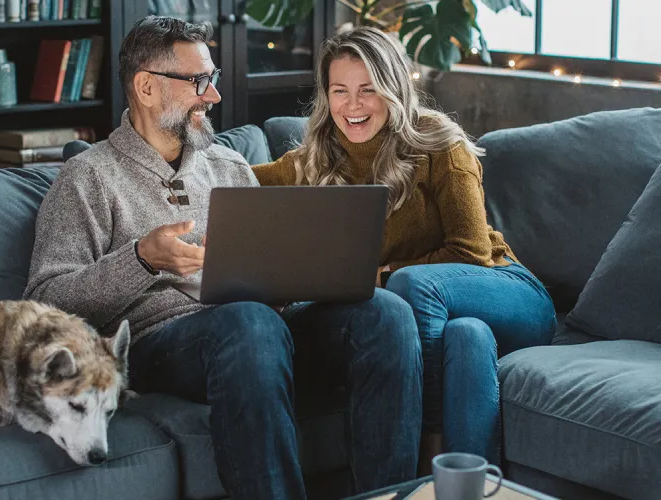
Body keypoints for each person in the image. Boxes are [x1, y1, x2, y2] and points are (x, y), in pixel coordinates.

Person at [24, 16, 423, 499]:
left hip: (261, 328)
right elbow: (46, 303)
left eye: (211, 80)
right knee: (249, 324)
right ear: (146, 87)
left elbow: (271, 269)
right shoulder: (87, 178)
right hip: (163, 343)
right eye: (199, 82)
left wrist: (289, 286)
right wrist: (143, 258)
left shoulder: (229, 165)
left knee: (385, 313)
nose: (212, 96)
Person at [253, 26, 556, 465]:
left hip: (507, 292)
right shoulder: (315, 158)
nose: (352, 105)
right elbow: (235, 182)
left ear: (393, 88)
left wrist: (384, 276)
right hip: (453, 319)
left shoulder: (438, 143)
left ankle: (424, 446)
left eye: (368, 90)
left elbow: (472, 251)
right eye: (340, 90)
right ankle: (466, 486)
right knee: (466, 338)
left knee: (413, 286)